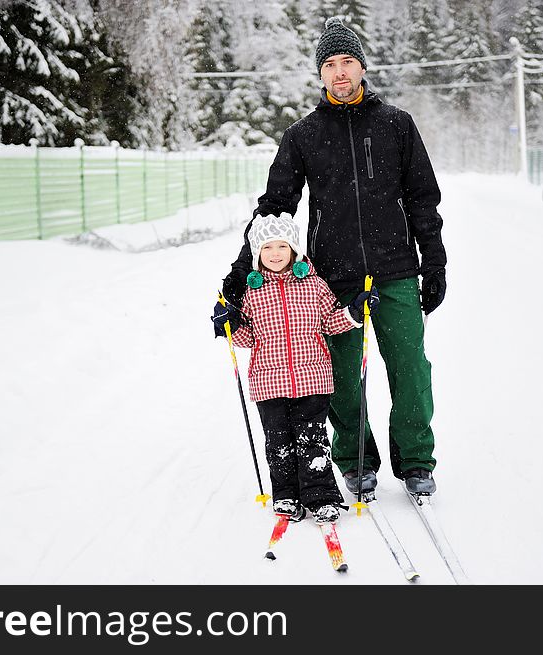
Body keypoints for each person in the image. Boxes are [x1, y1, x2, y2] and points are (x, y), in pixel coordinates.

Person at [216, 17, 447, 497]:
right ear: (319, 74)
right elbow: (273, 210)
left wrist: (434, 263)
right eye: (330, 65)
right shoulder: (303, 135)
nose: (340, 73)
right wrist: (238, 278)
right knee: (341, 378)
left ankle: (416, 461)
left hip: (397, 271)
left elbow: (424, 199)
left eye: (347, 62)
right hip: (333, 278)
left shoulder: (396, 125)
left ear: (362, 67)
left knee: (411, 370)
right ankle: (354, 457)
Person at [212, 214, 379, 523]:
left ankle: (321, 496)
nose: (275, 254)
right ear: (257, 252)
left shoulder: (314, 286)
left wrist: (355, 311)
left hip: (312, 379)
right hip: (268, 382)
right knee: (278, 442)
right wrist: (230, 325)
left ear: (294, 250)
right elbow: (249, 338)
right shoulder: (252, 293)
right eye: (267, 248)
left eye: (282, 246)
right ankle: (286, 495)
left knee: (312, 440)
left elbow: (330, 321)